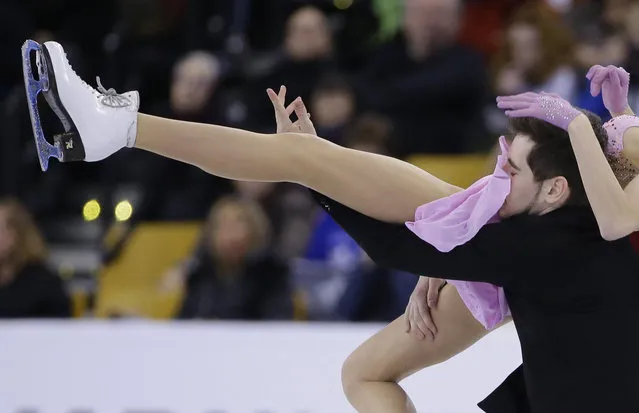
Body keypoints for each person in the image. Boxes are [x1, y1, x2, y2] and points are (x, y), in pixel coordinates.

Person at [23, 41, 639, 412]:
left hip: (561, 276)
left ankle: (117, 128)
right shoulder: (556, 216)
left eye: (509, 168)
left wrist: (323, 179)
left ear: (553, 192)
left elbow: (392, 241)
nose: (492, 174)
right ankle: (114, 128)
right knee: (363, 370)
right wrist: (615, 118)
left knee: (304, 158)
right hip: (560, 271)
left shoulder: (548, 243)